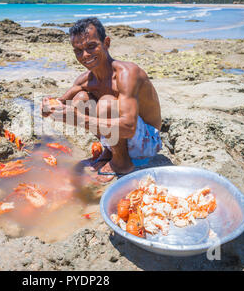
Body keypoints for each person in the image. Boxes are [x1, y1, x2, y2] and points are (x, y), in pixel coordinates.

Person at [41, 17, 162, 182]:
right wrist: (48, 107)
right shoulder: (85, 80)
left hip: (148, 143)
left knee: (105, 103)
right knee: (80, 99)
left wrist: (79, 119)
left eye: (91, 46)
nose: (85, 55)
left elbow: (129, 127)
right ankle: (110, 152)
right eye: (78, 50)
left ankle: (122, 163)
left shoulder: (126, 73)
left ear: (106, 43)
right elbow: (60, 103)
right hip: (124, 136)